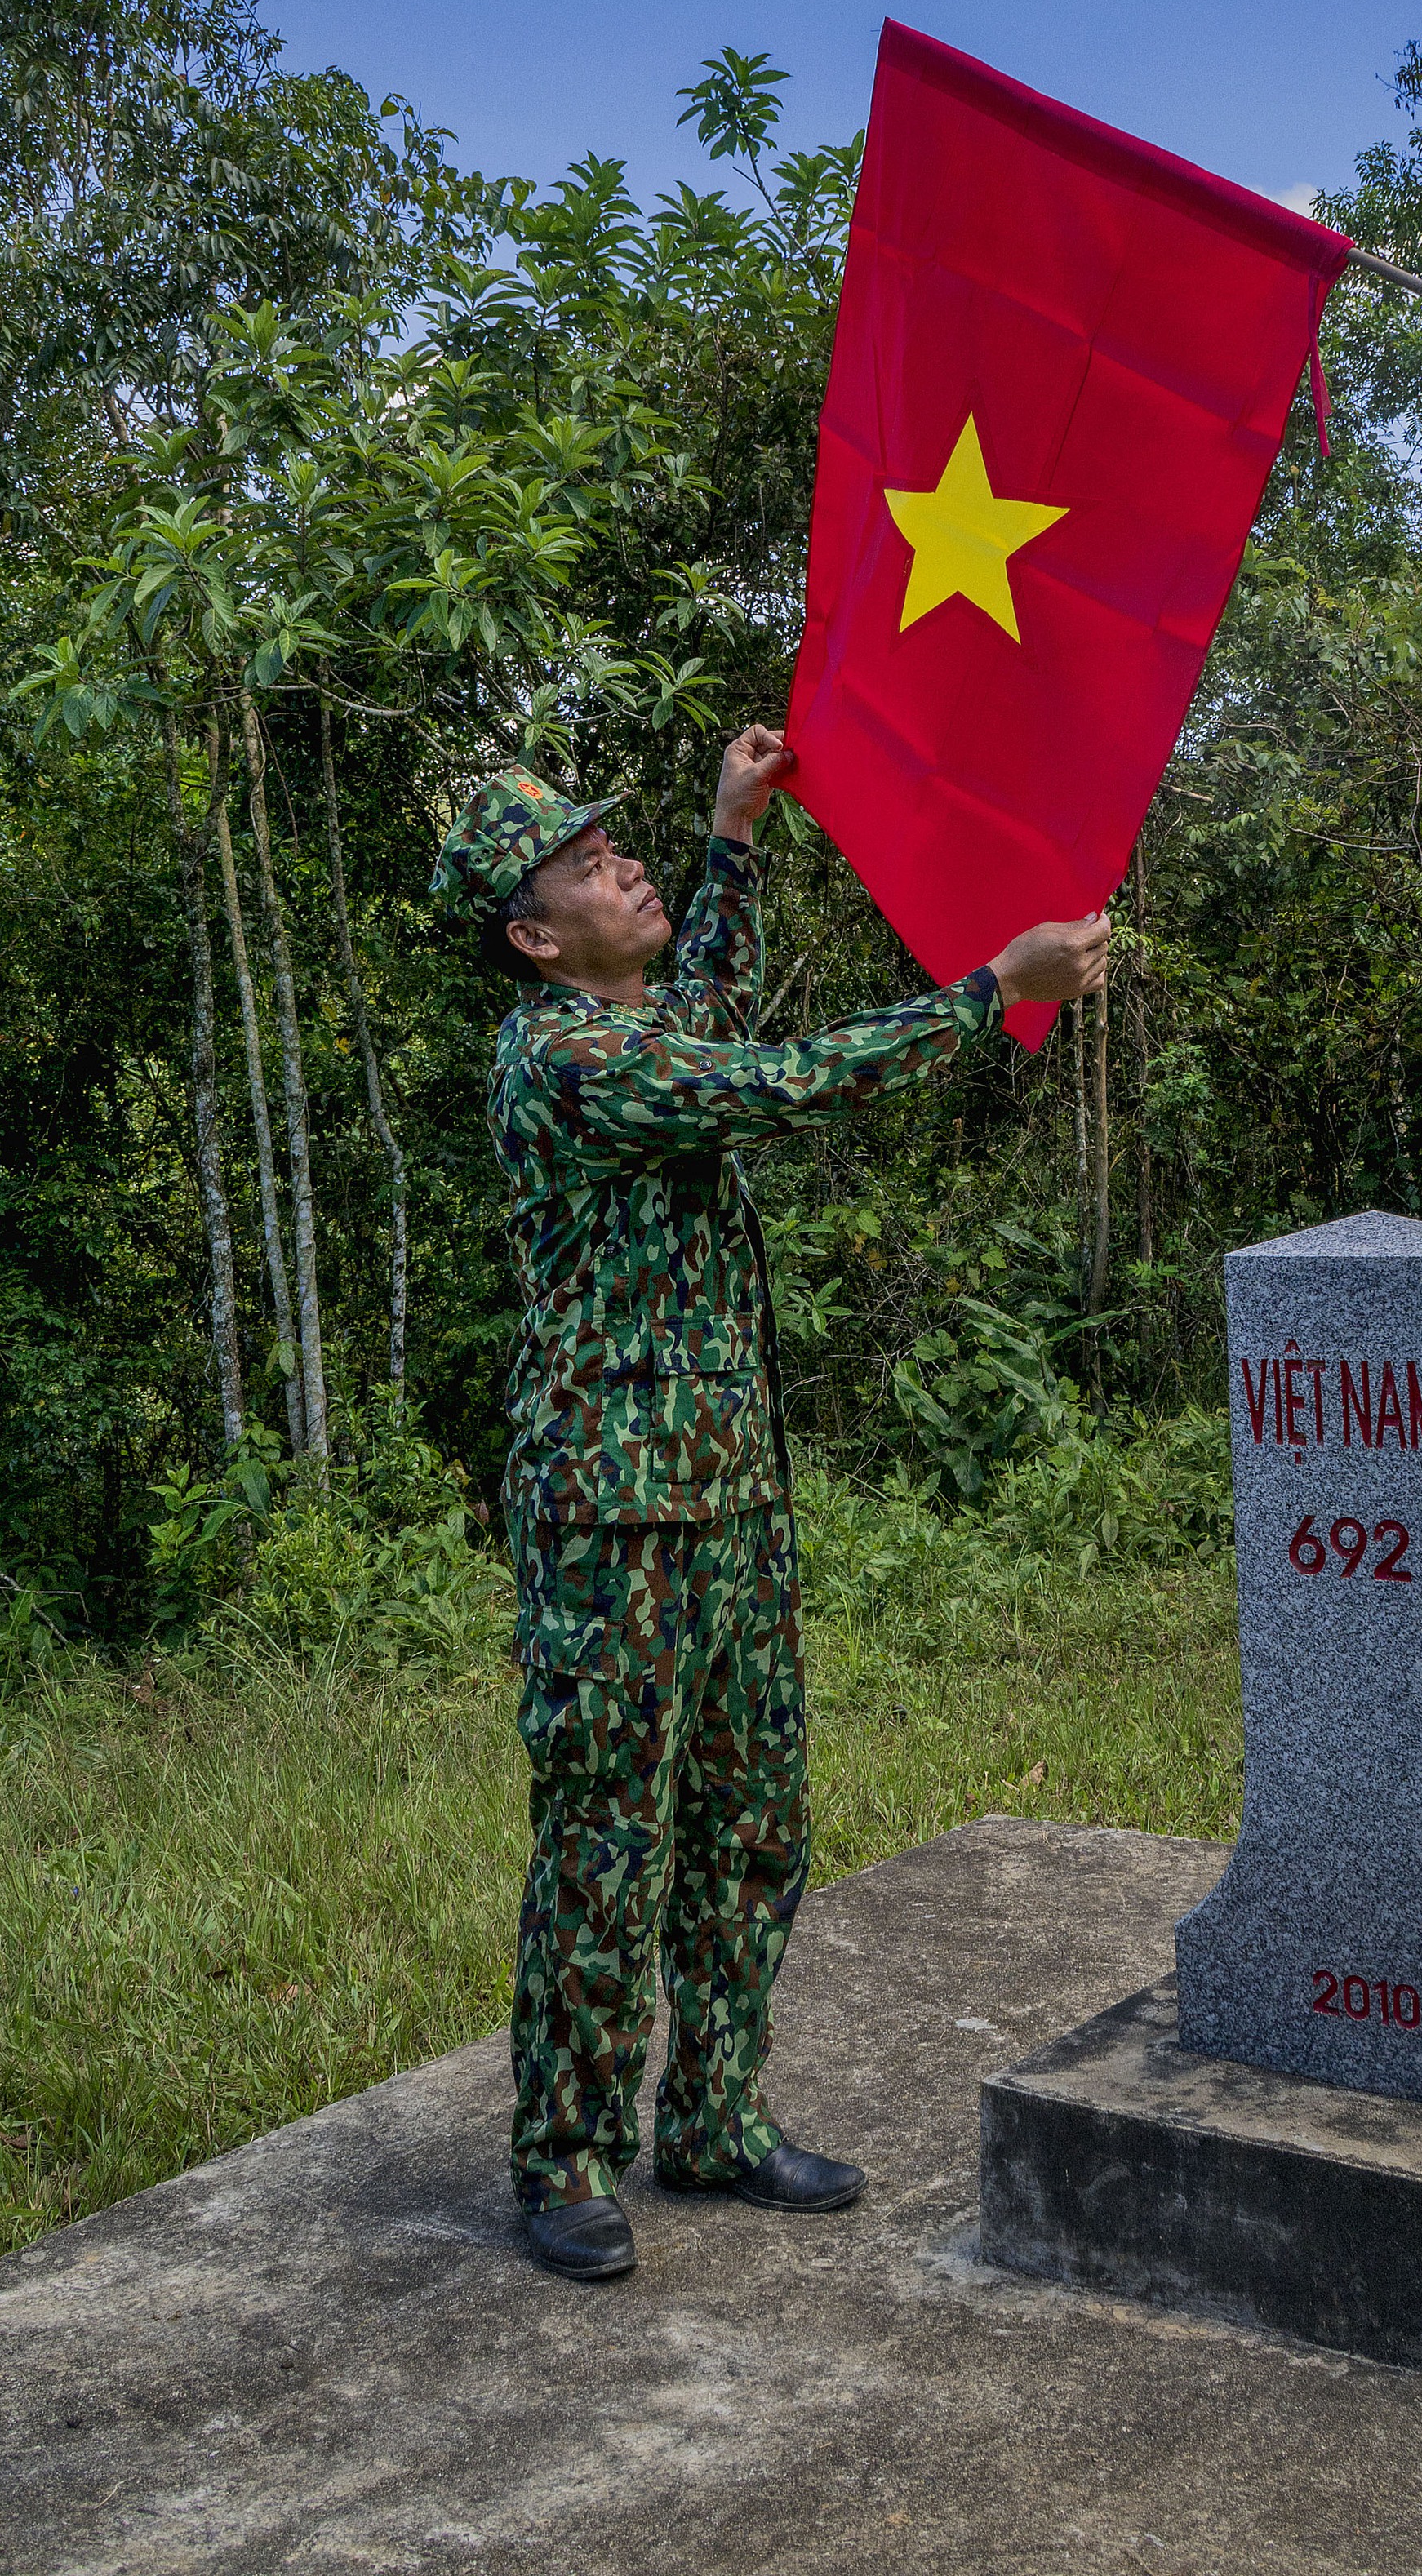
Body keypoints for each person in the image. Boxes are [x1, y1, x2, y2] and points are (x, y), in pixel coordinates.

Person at [431, 726, 1109, 2281]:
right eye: (595, 864)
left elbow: (716, 1031)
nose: (630, 863)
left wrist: (732, 834)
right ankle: (567, 2152)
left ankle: (714, 2119)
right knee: (607, 1838)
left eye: (626, 844)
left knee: (748, 1822)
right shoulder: (565, 1056)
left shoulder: (642, 1028)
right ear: (537, 937)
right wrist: (993, 992)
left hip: (729, 1498)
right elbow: (774, 1080)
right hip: (616, 1513)